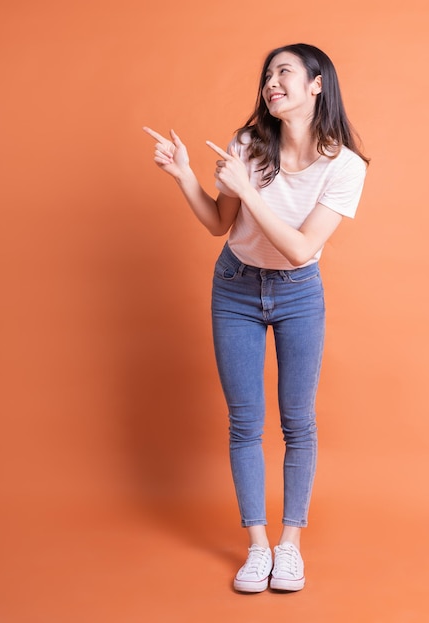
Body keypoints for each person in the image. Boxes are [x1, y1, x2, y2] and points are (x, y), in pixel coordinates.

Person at [143, 43, 368, 593]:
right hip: (235, 288)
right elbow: (221, 223)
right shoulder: (249, 143)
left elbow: (299, 249)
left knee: (299, 422)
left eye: (284, 72)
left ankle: (290, 547)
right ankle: (258, 547)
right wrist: (184, 175)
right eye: (268, 74)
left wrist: (248, 189)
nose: (272, 82)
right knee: (245, 423)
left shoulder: (345, 166)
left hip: (297, 292)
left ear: (317, 84)